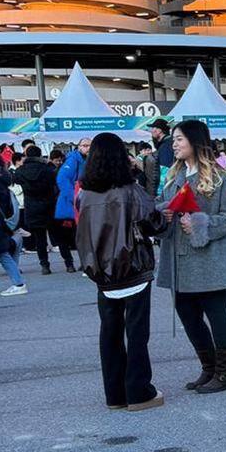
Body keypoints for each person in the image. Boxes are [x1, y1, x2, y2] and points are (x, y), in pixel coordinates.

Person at [75, 133, 168, 411]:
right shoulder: (130, 190)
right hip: (133, 269)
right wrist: (165, 217)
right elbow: (154, 223)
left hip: (102, 273)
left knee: (110, 333)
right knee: (137, 332)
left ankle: (114, 394)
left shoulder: (85, 195)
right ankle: (139, 391)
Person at [158, 120, 226, 393]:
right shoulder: (174, 176)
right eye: (173, 139)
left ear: (195, 141)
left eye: (179, 139)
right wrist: (162, 212)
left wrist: (201, 223)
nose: (174, 144)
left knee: (216, 313)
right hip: (179, 259)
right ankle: (209, 369)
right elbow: (164, 204)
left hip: (211, 258)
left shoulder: (220, 178)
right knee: (188, 315)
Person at [0, 150, 26, 296]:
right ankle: (15, 242)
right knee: (1, 253)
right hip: (0, 224)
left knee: (1, 254)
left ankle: (18, 283)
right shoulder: (1, 180)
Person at [14, 145, 60, 275]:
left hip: (32, 206)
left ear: (27, 155)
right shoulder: (48, 169)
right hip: (49, 205)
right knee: (58, 235)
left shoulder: (21, 171)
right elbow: (54, 183)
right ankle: (69, 263)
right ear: (40, 155)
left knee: (40, 239)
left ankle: (44, 265)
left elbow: (15, 180)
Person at [51, 138, 89, 273]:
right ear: (78, 147)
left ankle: (83, 263)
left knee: (81, 237)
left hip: (80, 205)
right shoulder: (73, 160)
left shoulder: (86, 161)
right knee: (65, 238)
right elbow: (62, 179)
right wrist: (74, 197)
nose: (88, 148)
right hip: (69, 206)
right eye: (85, 145)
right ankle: (69, 263)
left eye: (90, 145)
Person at [148, 118, 173, 195]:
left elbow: (165, 170)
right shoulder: (166, 143)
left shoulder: (166, 145)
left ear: (159, 130)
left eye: (153, 128)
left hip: (167, 191)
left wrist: (160, 194)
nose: (151, 130)